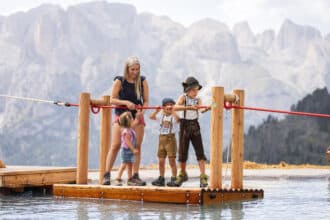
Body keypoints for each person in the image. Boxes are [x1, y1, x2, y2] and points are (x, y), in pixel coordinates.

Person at [102, 56, 149, 186]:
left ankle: (134, 176)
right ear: (127, 69)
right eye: (132, 69)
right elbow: (112, 100)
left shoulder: (143, 81)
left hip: (137, 116)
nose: (135, 72)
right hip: (121, 116)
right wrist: (126, 103)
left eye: (137, 69)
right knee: (115, 145)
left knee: (137, 147)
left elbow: (146, 101)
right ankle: (106, 175)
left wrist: (142, 112)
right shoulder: (119, 81)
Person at [174, 76, 210, 187]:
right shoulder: (183, 98)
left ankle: (203, 176)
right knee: (182, 151)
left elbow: (201, 110)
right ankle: (182, 173)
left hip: (195, 125)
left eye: (197, 90)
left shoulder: (198, 100)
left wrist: (209, 108)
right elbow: (175, 107)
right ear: (187, 90)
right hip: (184, 125)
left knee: (200, 150)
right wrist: (188, 108)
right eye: (193, 90)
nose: (195, 92)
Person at [149, 98, 180, 187]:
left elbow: (178, 120)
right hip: (161, 139)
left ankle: (174, 178)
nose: (170, 106)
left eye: (171, 104)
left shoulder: (174, 116)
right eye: (167, 105)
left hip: (170, 139)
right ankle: (161, 178)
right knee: (161, 160)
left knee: (172, 160)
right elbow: (151, 117)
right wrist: (156, 111)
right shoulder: (161, 116)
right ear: (164, 107)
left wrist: (173, 111)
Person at [113, 112, 139, 186]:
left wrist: (138, 115)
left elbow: (136, 122)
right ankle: (117, 178)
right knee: (124, 164)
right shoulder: (127, 131)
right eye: (132, 118)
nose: (133, 119)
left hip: (129, 151)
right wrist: (133, 149)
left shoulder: (129, 129)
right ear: (129, 121)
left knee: (130, 165)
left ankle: (130, 179)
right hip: (126, 150)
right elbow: (128, 142)